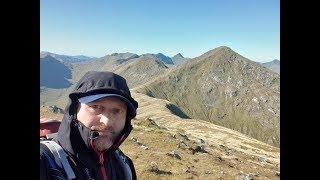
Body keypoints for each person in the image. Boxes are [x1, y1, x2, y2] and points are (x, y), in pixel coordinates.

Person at [40, 71, 138, 180]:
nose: (107, 121)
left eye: (117, 110)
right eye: (95, 107)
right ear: (74, 110)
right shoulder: (44, 162)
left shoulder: (124, 166)